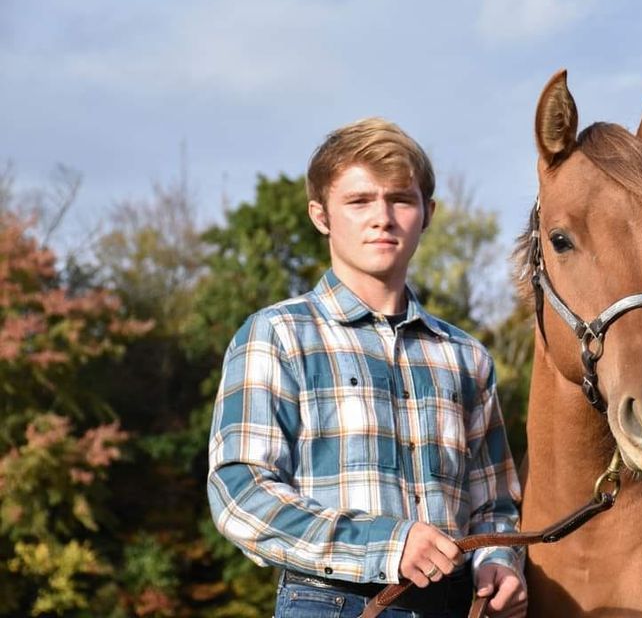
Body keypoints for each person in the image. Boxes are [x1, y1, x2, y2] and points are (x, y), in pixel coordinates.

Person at [207, 118, 526, 618]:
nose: (383, 217)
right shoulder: (278, 335)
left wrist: (499, 560)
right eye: (359, 201)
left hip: (457, 606)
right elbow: (241, 493)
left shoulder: (465, 356)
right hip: (330, 602)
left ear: (427, 214)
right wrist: (386, 546)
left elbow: (495, 506)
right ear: (321, 215)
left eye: (401, 199)